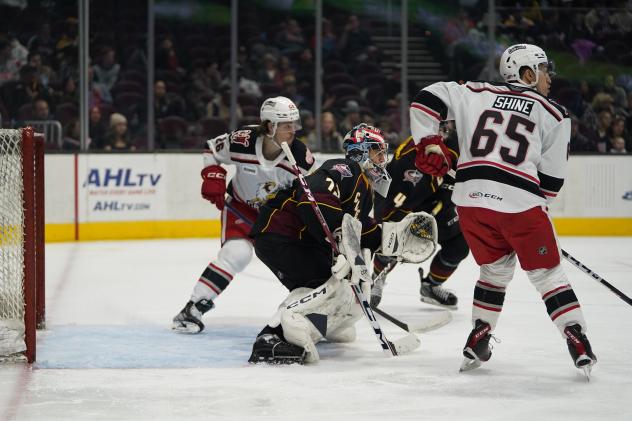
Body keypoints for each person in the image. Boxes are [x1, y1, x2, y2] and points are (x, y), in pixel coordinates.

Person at [409, 43, 597, 376]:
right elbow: (551, 182)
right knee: (548, 275)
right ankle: (575, 333)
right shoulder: (554, 112)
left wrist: (429, 141)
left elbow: (426, 97)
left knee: (494, 273)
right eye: (543, 69)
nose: (549, 77)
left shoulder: (475, 92)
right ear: (527, 73)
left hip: (470, 202)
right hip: (520, 205)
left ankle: (479, 332)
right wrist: (530, 218)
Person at [248, 123, 396, 364]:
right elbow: (315, 196)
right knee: (320, 283)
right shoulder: (346, 168)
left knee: (334, 287)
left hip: (297, 239)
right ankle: (269, 339)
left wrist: (389, 240)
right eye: (376, 150)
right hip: (283, 233)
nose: (382, 157)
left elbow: (358, 227)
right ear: (360, 151)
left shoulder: (364, 189)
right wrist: (338, 233)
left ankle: (318, 326)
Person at [172, 96, 314, 333]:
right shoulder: (242, 140)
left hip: (277, 218)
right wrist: (212, 174)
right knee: (236, 254)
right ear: (269, 126)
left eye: (294, 124)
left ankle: (314, 314)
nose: (293, 131)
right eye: (286, 125)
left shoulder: (301, 157)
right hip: (242, 208)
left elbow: (308, 196)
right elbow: (211, 148)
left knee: (297, 265)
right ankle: (192, 309)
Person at [371, 130, 469, 310]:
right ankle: (376, 278)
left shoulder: (453, 141)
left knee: (459, 244)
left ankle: (430, 286)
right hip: (405, 202)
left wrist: (445, 195)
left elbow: (455, 173)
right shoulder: (407, 164)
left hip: (435, 199)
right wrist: (404, 225)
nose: (442, 131)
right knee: (392, 238)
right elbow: (388, 209)